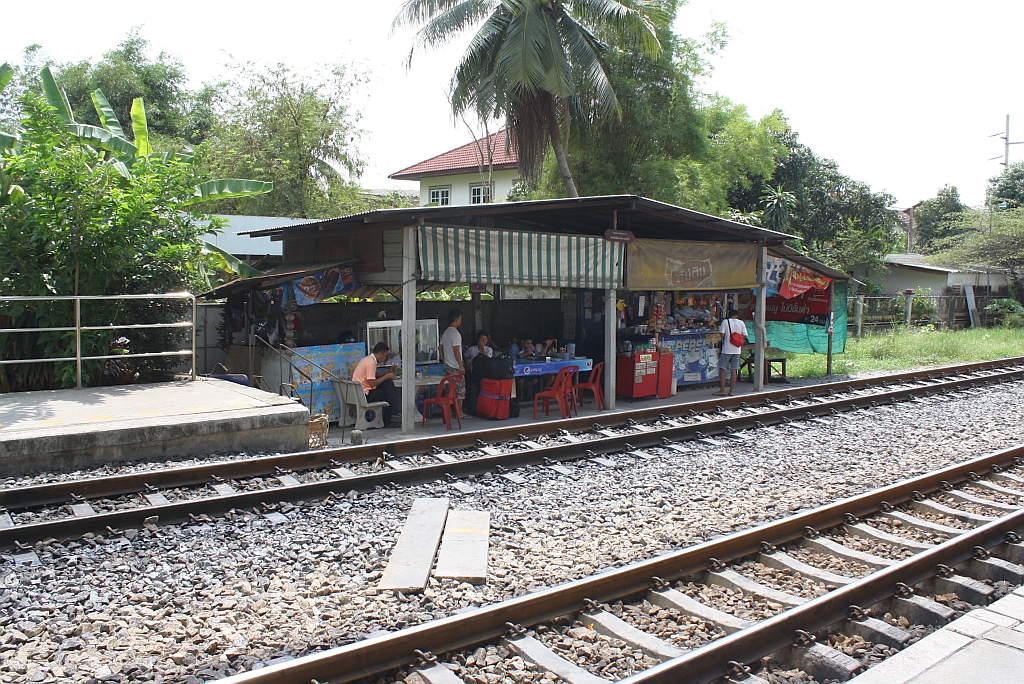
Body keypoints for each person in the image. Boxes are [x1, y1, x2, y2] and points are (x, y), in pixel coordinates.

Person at [351, 342, 401, 426]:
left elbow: (373, 375)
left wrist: (388, 372)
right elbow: (372, 383)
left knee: (387, 384)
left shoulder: (366, 359)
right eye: (385, 356)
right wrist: (387, 376)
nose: (385, 358)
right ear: (380, 354)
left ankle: (394, 410)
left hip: (360, 393)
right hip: (365, 395)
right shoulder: (371, 363)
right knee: (388, 393)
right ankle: (391, 416)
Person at [439, 308, 467, 418]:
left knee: (449, 389)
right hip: (455, 366)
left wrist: (444, 359)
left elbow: (439, 347)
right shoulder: (455, 334)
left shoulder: (446, 332)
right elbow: (456, 350)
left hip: (447, 365)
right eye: (460, 319)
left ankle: (451, 411)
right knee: (460, 389)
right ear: (456, 319)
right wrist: (461, 365)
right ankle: (459, 412)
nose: (461, 321)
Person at [715, 308, 746, 396]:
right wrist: (737, 338)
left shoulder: (725, 322)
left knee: (722, 368)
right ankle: (731, 391)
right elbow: (745, 335)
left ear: (729, 315)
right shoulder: (741, 323)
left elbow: (722, 334)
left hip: (727, 349)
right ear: (737, 315)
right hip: (737, 349)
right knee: (734, 370)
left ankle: (722, 390)